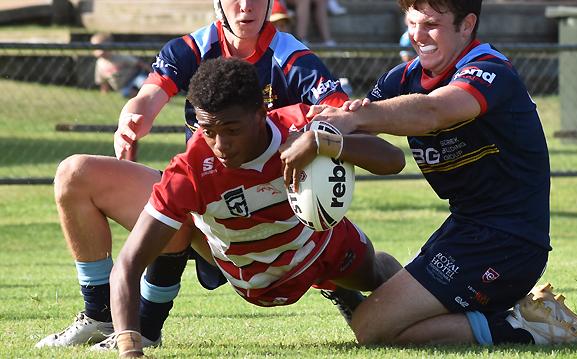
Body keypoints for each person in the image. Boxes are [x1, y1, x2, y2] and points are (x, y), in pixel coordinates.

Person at [36, 0, 351, 351]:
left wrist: (310, 133)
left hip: (269, 221)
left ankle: (340, 284)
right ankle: (104, 316)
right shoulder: (191, 48)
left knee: (366, 278)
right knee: (75, 174)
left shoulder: (293, 57)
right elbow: (149, 97)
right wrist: (131, 120)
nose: (245, 6)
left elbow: (340, 116)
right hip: (204, 210)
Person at [308, 0, 577, 346]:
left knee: (370, 328)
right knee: (379, 278)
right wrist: (318, 125)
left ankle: (526, 329)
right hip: (464, 231)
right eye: (412, 22)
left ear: (466, 25)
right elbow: (359, 131)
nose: (418, 35)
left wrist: (357, 118)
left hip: (507, 242)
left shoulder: (489, 71)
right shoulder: (403, 78)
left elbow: (435, 110)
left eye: (431, 24)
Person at [110, 57, 405, 358]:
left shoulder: (302, 124)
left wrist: (321, 142)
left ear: (261, 114)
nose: (221, 144)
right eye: (208, 130)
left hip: (322, 247)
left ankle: (345, 286)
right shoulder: (190, 170)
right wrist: (129, 350)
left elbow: (394, 160)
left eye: (232, 130)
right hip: (252, 277)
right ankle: (337, 287)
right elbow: (127, 265)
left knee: (381, 285)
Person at [90, 32, 152, 98]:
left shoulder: (119, 57)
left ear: (109, 46)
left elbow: (139, 63)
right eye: (95, 48)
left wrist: (152, 72)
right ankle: (140, 95)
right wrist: (104, 92)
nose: (99, 51)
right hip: (123, 86)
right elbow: (103, 80)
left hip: (134, 78)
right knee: (126, 93)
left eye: (101, 47)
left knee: (142, 82)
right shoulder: (100, 64)